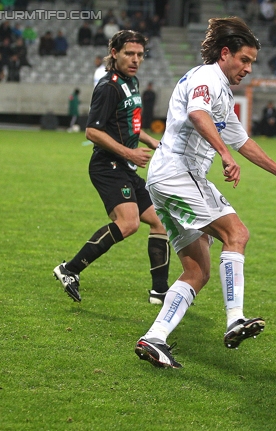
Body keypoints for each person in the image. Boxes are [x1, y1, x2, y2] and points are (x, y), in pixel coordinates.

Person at [134, 17, 276, 369]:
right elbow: (199, 115)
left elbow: (241, 139)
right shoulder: (205, 78)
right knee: (236, 233)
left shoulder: (222, 90)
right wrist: (224, 155)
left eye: (252, 63)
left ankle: (154, 338)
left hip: (169, 177)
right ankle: (235, 320)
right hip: (178, 172)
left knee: (197, 271)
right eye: (244, 60)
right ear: (225, 53)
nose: (248, 68)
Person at [53, 30, 170, 306]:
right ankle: (69, 269)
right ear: (114, 53)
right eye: (129, 53)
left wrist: (153, 141)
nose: (135, 59)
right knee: (128, 224)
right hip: (107, 165)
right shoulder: (108, 87)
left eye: (140, 54)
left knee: (160, 221)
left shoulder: (133, 81)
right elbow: (92, 132)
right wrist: (129, 151)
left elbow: (131, 125)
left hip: (125, 165)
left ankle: (160, 292)